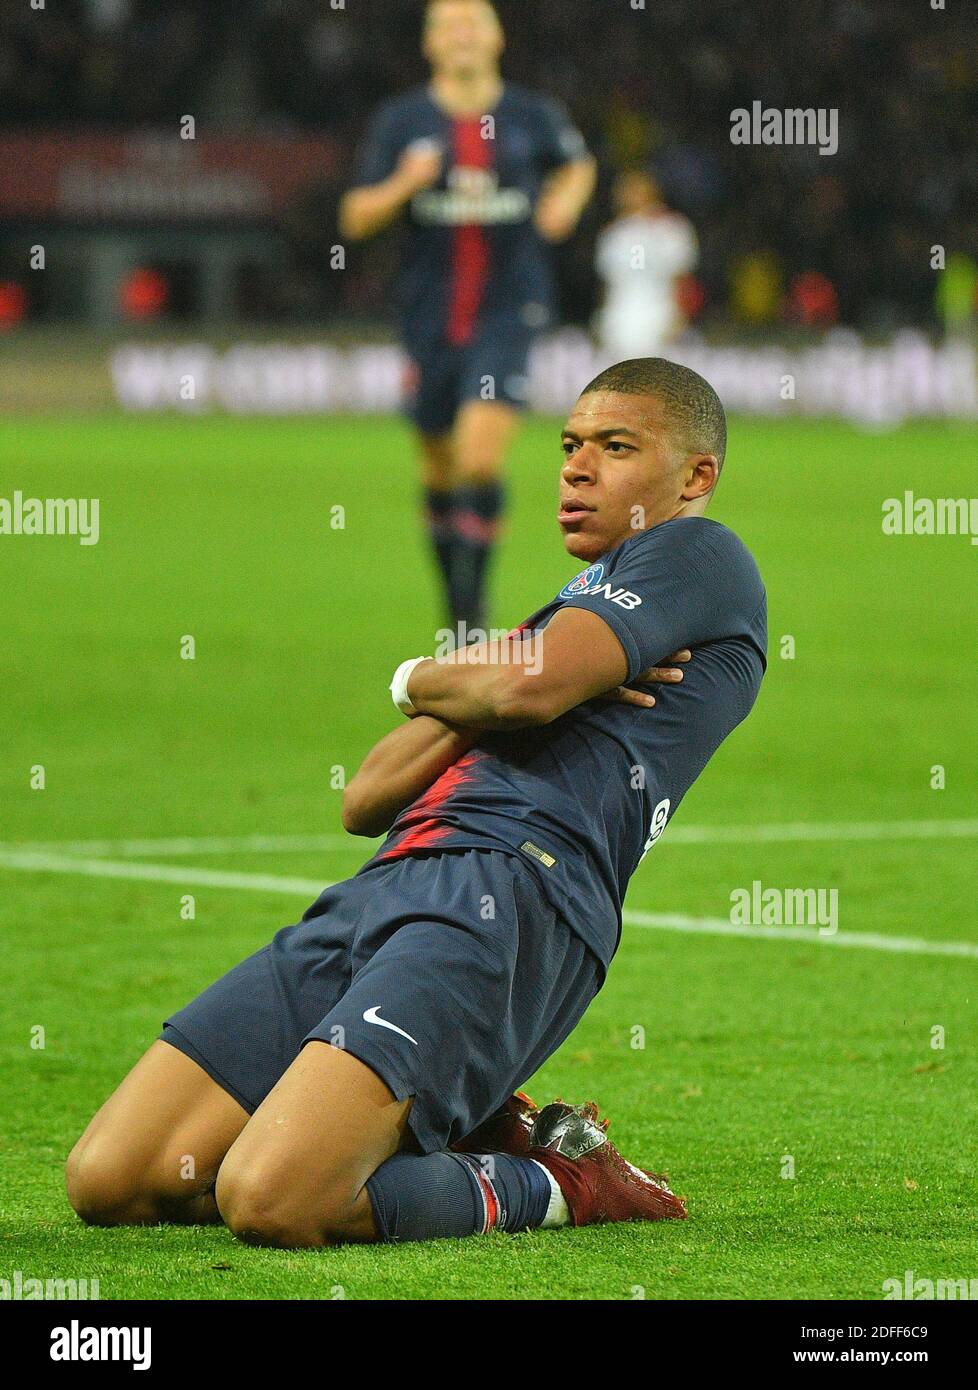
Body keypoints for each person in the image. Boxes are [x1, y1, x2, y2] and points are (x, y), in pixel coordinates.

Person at [66, 358, 767, 1248]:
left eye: (616, 447)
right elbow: (368, 794)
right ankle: (441, 1125)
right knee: (111, 1179)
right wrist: (501, 676)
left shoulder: (700, 556)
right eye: (569, 445)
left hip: (514, 891)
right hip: (386, 880)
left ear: (696, 477)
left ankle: (558, 1180)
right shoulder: (574, 608)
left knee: (274, 1202)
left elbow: (525, 692)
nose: (576, 468)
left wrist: (437, 676)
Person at [339, 0, 596, 637]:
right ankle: (452, 599)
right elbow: (355, 219)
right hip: (427, 314)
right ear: (429, 44)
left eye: (473, 22)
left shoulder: (532, 115)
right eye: (447, 25)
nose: (461, 34)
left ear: (497, 37)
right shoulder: (402, 122)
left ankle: (471, 612)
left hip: (510, 308)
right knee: (438, 467)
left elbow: (579, 162)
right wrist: (404, 184)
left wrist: (564, 200)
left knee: (479, 458)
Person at [595, 171, 698, 362]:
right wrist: (602, 320)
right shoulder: (614, 234)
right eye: (625, 190)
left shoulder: (672, 229)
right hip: (620, 320)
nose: (628, 195)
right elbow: (608, 284)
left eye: (635, 189)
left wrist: (680, 318)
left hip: (659, 317)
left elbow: (683, 279)